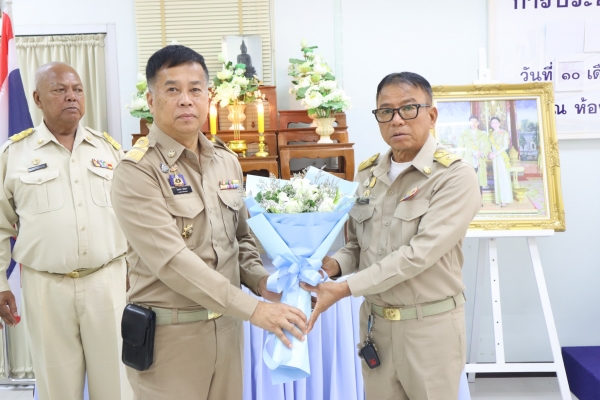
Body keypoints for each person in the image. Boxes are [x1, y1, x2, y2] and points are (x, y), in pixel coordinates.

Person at [110, 45, 307, 400]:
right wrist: (255, 309)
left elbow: (240, 238)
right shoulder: (137, 171)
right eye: (172, 89)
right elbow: (172, 262)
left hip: (227, 333)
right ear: (151, 101)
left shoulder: (225, 160)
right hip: (172, 340)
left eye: (195, 89)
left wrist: (261, 282)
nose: (186, 99)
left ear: (208, 97)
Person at [301, 72, 482, 400]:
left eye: (408, 108)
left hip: (429, 328)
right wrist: (332, 266)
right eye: (386, 111)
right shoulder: (368, 174)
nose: (396, 119)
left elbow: (418, 255)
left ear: (431, 115)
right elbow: (357, 245)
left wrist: (344, 288)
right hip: (376, 327)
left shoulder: (455, 176)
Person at [0, 62, 131, 400]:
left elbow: (132, 217)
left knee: (117, 387)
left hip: (108, 283)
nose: (71, 96)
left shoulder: (109, 150)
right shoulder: (15, 154)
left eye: (77, 90)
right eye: (60, 90)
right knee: (57, 390)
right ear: (37, 99)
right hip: (47, 287)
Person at [457, 115, 490, 192]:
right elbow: (460, 147)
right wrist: (459, 160)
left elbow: (487, 146)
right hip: (468, 159)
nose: (473, 124)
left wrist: (481, 152)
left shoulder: (483, 134)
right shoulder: (464, 134)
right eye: (471, 122)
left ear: (478, 123)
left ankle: (479, 198)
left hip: (479, 160)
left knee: (479, 181)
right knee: (469, 180)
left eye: (475, 122)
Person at [488, 117, 513, 207]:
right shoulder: (490, 134)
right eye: (492, 123)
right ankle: (498, 199)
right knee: (497, 177)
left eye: (496, 122)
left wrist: (496, 153)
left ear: (499, 123)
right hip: (494, 157)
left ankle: (504, 200)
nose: (494, 124)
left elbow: (506, 146)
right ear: (491, 124)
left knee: (503, 177)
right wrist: (490, 153)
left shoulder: (504, 133)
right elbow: (489, 146)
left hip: (501, 156)